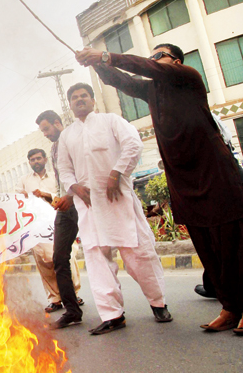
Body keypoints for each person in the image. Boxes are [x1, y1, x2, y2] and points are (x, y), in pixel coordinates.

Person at [76, 45, 243, 332]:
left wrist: (105, 55)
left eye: (158, 55)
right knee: (208, 251)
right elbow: (122, 81)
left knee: (234, 247)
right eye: (151, 56)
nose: (152, 60)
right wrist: (97, 65)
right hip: (182, 182)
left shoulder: (188, 77)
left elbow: (148, 68)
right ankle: (229, 308)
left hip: (216, 175)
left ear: (175, 61)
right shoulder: (153, 92)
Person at [57, 83, 171, 335]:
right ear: (70, 105)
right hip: (89, 207)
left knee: (139, 254)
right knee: (97, 259)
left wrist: (117, 172)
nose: (80, 100)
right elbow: (64, 169)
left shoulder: (111, 121)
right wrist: (74, 186)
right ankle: (113, 315)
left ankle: (158, 302)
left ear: (93, 100)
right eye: (74, 98)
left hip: (118, 199)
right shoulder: (67, 135)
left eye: (84, 96)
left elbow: (133, 144)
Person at [15, 148, 83, 316]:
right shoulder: (23, 180)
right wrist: (25, 197)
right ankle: (54, 299)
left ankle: (74, 294)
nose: (36, 161)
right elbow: (16, 198)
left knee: (66, 257)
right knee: (44, 261)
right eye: (32, 159)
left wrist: (47, 195)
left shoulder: (56, 177)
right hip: (36, 226)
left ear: (45, 159)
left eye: (38, 158)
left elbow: (64, 196)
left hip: (59, 221)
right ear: (29, 162)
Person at [35, 110, 85, 329]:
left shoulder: (75, 140)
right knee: (59, 258)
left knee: (99, 252)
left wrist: (72, 197)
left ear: (57, 123)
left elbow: (85, 173)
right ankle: (72, 311)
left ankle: (156, 303)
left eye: (46, 129)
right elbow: (64, 181)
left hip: (84, 201)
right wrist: (54, 198)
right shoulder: (54, 147)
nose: (45, 134)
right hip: (65, 208)